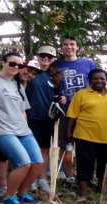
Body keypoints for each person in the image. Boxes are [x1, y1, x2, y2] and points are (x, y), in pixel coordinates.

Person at [0, 52, 44, 204]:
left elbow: (23, 110)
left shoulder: (19, 84)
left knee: (38, 163)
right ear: (3, 62)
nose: (16, 67)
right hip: (2, 129)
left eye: (19, 65)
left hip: (23, 130)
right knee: (24, 164)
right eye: (12, 64)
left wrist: (26, 128)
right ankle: (9, 197)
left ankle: (23, 193)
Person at [66, 69, 107, 196]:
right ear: (90, 80)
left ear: (106, 80)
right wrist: (68, 132)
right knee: (85, 162)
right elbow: (72, 115)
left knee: (105, 162)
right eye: (95, 78)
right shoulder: (81, 94)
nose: (99, 81)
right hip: (85, 135)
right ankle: (82, 189)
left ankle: (102, 187)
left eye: (102, 78)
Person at [54, 36, 96, 187]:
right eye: (65, 44)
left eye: (72, 44)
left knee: (87, 147)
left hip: (86, 112)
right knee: (66, 146)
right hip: (65, 112)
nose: (68, 47)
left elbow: (97, 83)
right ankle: (70, 177)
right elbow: (50, 86)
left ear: (77, 47)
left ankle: (86, 177)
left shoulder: (88, 64)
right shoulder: (56, 64)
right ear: (61, 47)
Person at [26, 45, 63, 193]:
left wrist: (62, 99)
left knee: (45, 150)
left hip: (49, 118)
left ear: (53, 59)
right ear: (38, 57)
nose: (45, 59)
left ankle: (43, 178)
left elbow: (58, 95)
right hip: (31, 116)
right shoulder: (30, 72)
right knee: (32, 148)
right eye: (42, 56)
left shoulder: (55, 76)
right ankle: (32, 178)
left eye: (49, 56)